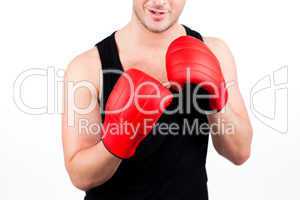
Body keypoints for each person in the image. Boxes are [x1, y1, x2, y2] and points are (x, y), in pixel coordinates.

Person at [62, 0, 253, 199]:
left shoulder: (213, 52)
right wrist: (119, 138)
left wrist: (217, 102)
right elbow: (80, 177)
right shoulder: (88, 67)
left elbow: (240, 152)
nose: (159, 2)